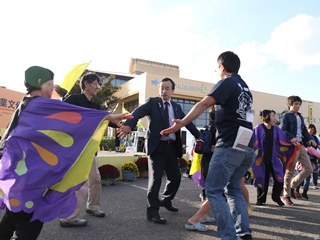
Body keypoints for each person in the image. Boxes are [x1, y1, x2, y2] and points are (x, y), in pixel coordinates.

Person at [0, 66, 132, 239]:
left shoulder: (26, 105)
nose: (53, 89)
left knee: (12, 217)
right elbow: (77, 115)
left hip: (19, 176)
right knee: (27, 227)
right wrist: (108, 116)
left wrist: (107, 117)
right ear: (40, 83)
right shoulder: (41, 105)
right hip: (29, 181)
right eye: (51, 84)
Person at [161, 51, 255, 239]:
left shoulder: (227, 82)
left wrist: (181, 123)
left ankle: (229, 236)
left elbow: (204, 104)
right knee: (234, 188)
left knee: (213, 190)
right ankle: (244, 232)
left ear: (222, 67)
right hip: (247, 146)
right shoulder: (245, 88)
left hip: (229, 144)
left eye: (217, 68)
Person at [118, 77, 201, 224]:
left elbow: (187, 122)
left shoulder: (176, 107)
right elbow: (137, 113)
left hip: (170, 148)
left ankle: (166, 200)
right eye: (162, 88)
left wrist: (199, 136)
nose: (164, 91)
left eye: (167, 88)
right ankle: (152, 212)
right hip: (157, 148)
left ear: (173, 91)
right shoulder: (153, 103)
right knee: (155, 180)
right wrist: (130, 125)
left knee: (175, 177)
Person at [59, 73, 107, 227]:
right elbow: (61, 116)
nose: (98, 87)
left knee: (96, 179)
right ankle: (68, 218)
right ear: (86, 84)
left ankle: (93, 207)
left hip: (88, 149)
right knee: (79, 184)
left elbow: (107, 119)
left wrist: (124, 122)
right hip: (75, 149)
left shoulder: (95, 106)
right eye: (95, 83)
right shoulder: (73, 100)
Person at [252, 110, 294, 207]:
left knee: (279, 179)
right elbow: (253, 141)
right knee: (262, 178)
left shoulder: (277, 129)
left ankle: (276, 197)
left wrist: (293, 142)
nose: (275, 118)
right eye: (273, 116)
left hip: (274, 159)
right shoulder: (258, 128)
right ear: (266, 116)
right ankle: (260, 199)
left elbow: (285, 140)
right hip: (261, 159)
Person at [280, 96, 317, 205]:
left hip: (301, 146)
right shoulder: (285, 116)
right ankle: (285, 194)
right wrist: (291, 138)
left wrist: (310, 139)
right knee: (290, 171)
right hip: (291, 146)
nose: (298, 106)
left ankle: (293, 185)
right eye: (295, 104)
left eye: (299, 104)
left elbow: (304, 131)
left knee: (309, 168)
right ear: (290, 105)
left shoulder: (300, 117)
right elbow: (283, 130)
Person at [295, 124, 320, 199]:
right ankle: (296, 191)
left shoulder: (315, 138)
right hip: (302, 160)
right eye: (310, 128)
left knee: (307, 177)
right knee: (300, 177)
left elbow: (317, 148)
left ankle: (304, 192)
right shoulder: (303, 138)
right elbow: (308, 148)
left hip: (311, 160)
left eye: (313, 129)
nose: (312, 130)